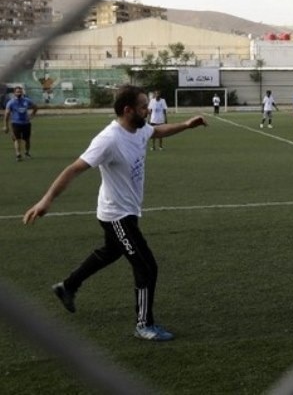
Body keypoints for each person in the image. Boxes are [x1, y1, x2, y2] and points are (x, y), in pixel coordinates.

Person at [22, 85, 207, 341]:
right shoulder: (108, 139)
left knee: (110, 252)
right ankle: (144, 325)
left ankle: (68, 286)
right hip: (116, 214)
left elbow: (157, 131)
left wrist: (186, 124)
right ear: (128, 110)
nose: (148, 109)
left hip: (128, 210)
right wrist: (46, 200)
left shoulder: (140, 128)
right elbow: (74, 169)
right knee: (146, 266)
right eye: (144, 106)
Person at [4, 85, 37, 162]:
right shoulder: (11, 102)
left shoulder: (26, 100)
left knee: (27, 140)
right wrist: (6, 126)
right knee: (17, 139)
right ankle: (18, 154)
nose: (19, 93)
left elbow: (35, 107)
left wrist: (32, 115)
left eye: (20, 91)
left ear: (22, 92)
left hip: (26, 123)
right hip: (16, 123)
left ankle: (27, 153)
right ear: (14, 93)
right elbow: (7, 114)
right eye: (17, 92)